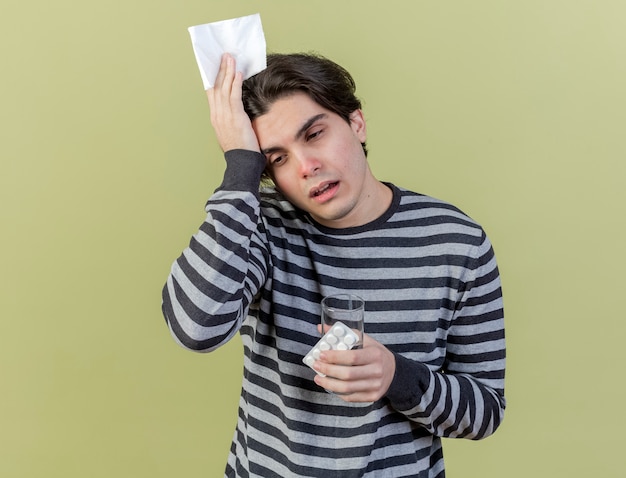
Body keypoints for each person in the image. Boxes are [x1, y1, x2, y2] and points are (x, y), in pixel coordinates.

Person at [162, 52, 506, 478]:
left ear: (356, 123)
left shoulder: (458, 242)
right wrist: (240, 170)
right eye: (277, 158)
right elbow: (197, 327)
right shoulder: (258, 223)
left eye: (315, 134)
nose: (307, 167)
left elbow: (485, 411)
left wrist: (396, 377)